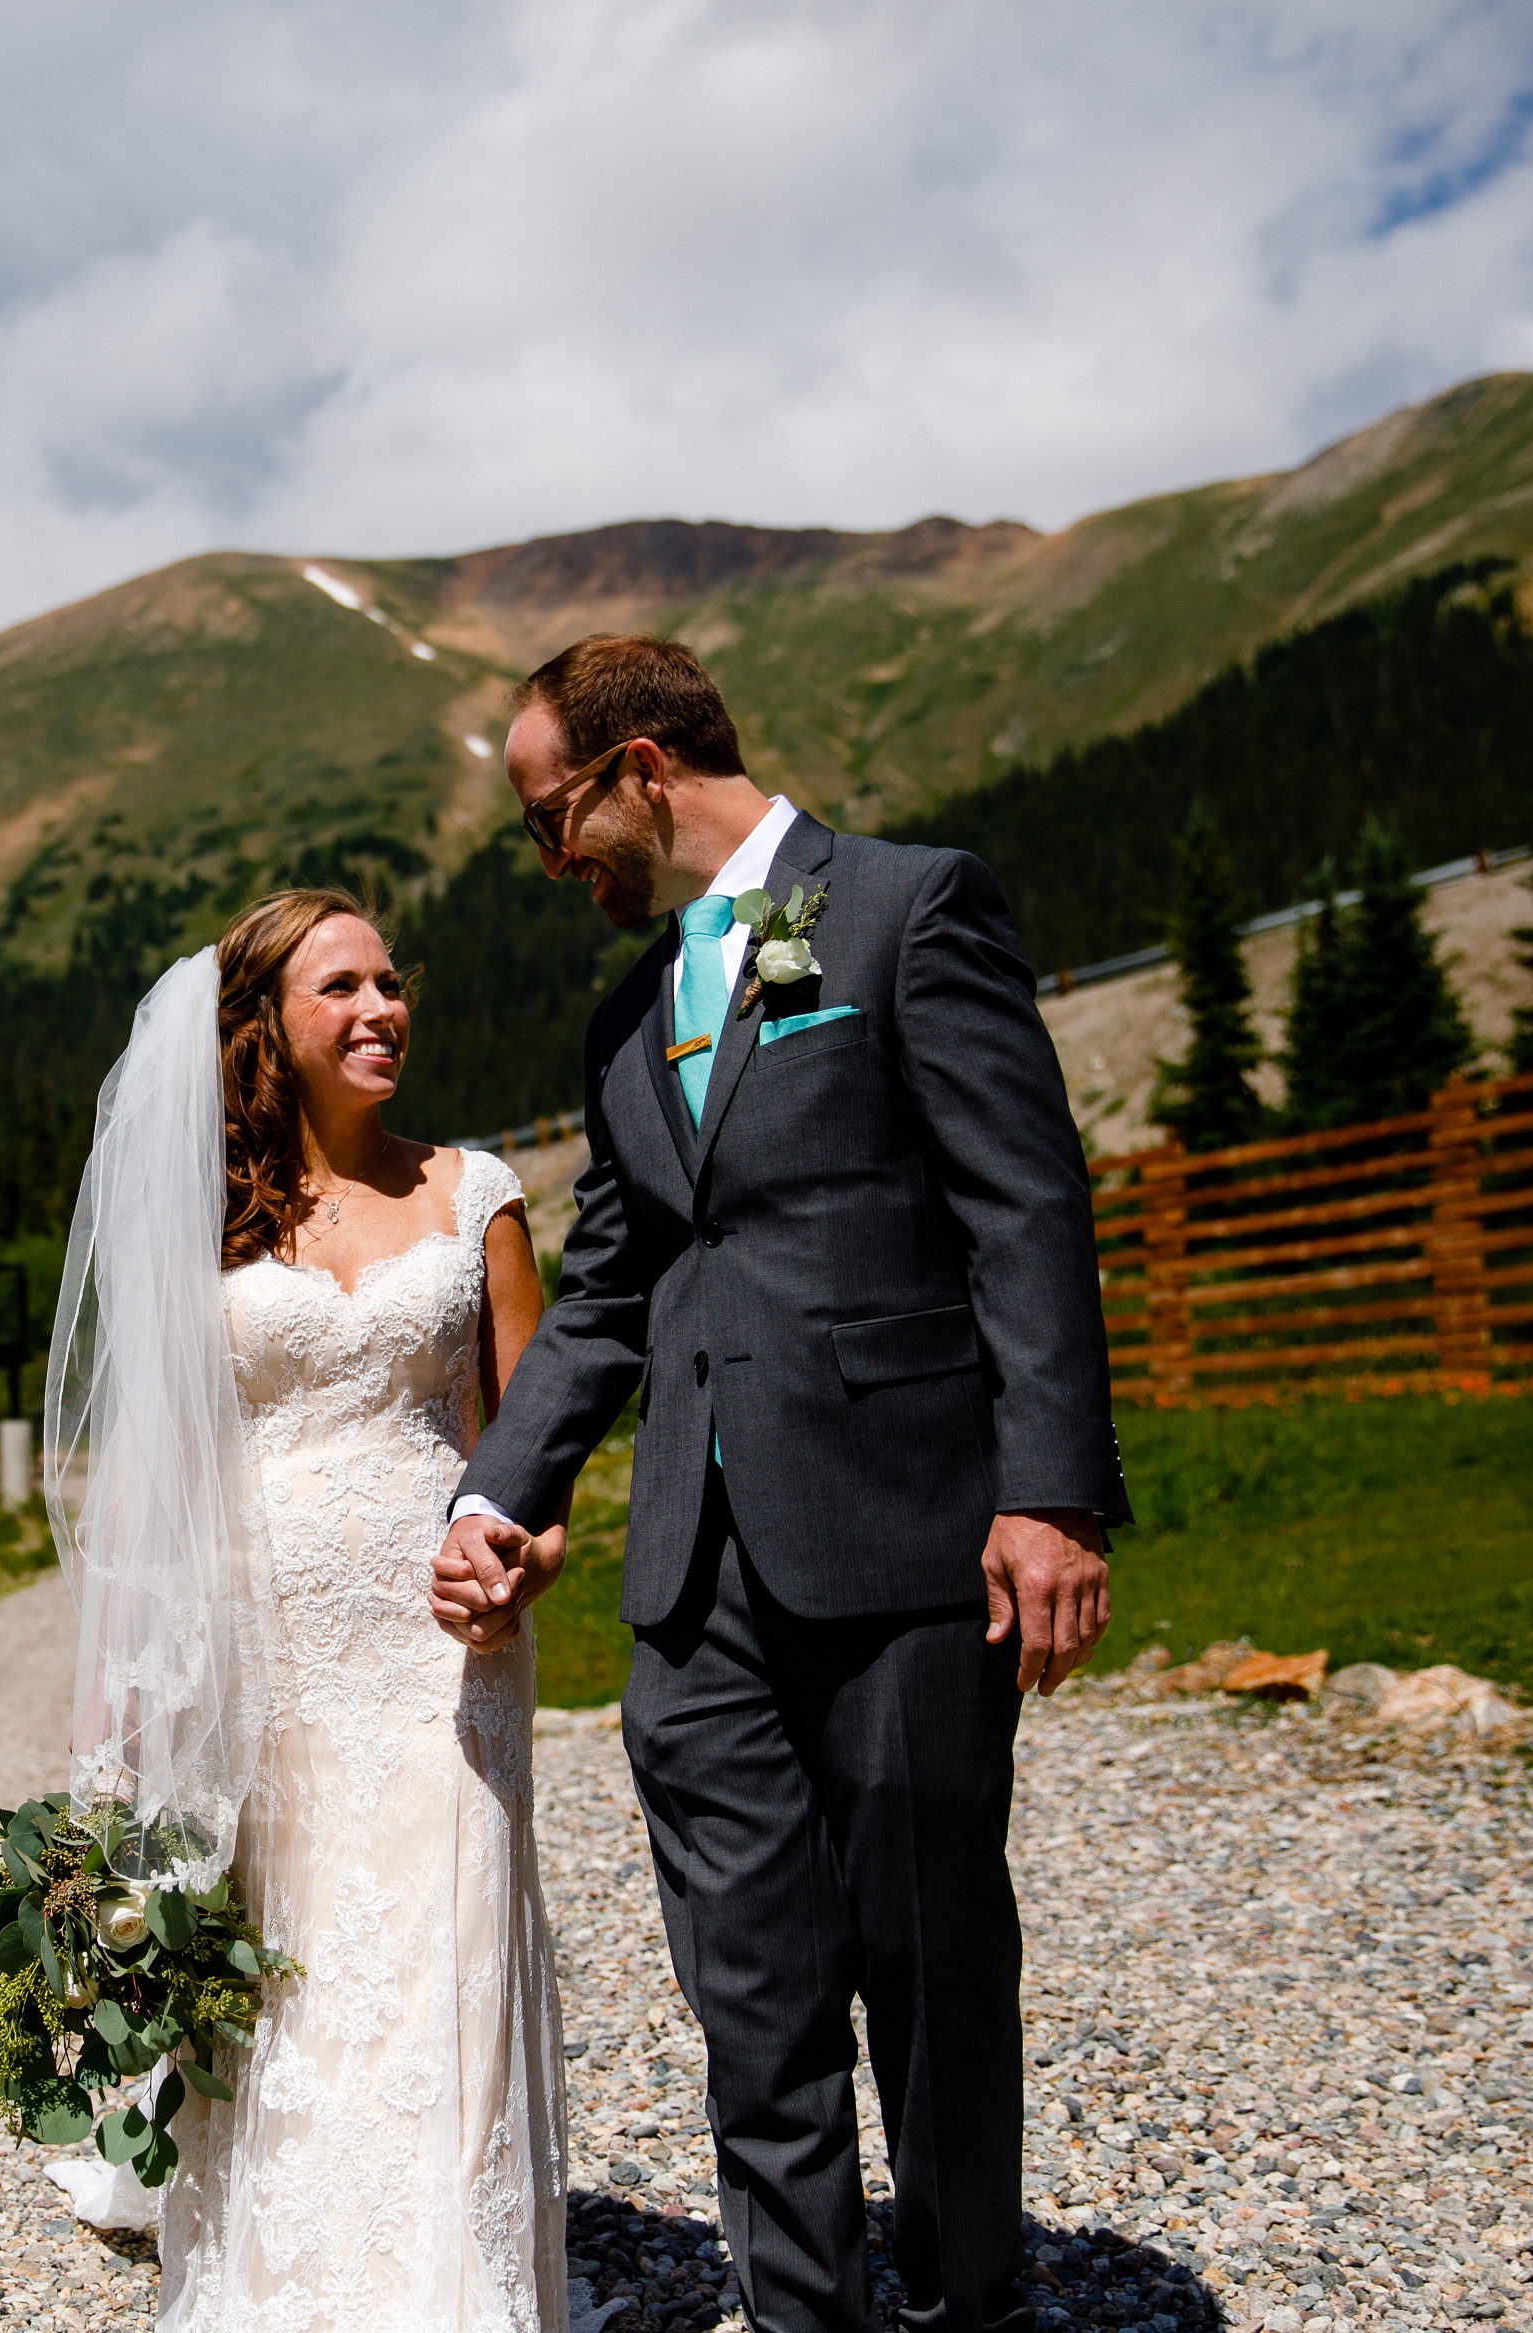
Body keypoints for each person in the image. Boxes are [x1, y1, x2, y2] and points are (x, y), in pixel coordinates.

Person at [431, 636, 1124, 2333]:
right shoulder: (623, 1019)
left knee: (931, 1955)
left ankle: (971, 2298)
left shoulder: (908, 909)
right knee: (752, 1986)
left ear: (641, 770)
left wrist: (1050, 1493)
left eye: (551, 819)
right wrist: (490, 1496)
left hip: (908, 1540)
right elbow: (608, 1293)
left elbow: (1023, 1208)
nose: (551, 862)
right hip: (693, 1584)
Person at [45, 887, 570, 2330]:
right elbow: (150, 1492)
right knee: (286, 1958)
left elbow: (539, 1450)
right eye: (341, 984)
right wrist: (122, 1727)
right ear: (267, 1025)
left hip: (439, 1644)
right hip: (256, 1648)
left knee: (448, 1943)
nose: (382, 1006)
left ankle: (456, 2292)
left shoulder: (478, 1196)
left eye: (392, 980)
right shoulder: (202, 1225)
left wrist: (526, 1556)